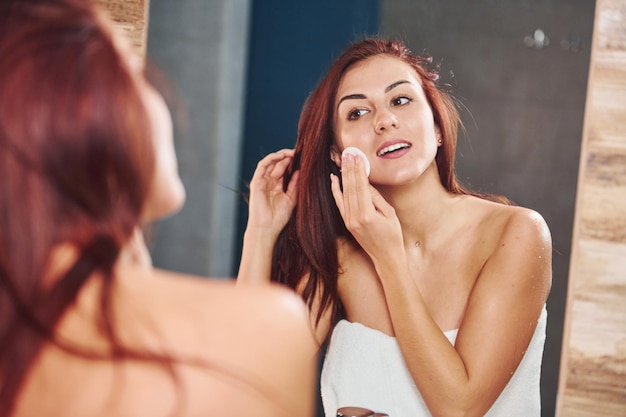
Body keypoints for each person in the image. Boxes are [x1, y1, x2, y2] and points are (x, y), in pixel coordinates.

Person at [0, 0, 317, 416]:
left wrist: (261, 231)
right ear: (64, 114)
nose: (162, 95)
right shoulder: (275, 326)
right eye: (131, 68)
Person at [240, 38, 552, 416]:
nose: (384, 120)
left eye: (400, 100)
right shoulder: (339, 259)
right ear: (338, 154)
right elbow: (247, 381)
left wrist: (388, 257)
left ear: (437, 127)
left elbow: (459, 407)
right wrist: (260, 231)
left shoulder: (515, 234)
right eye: (357, 113)